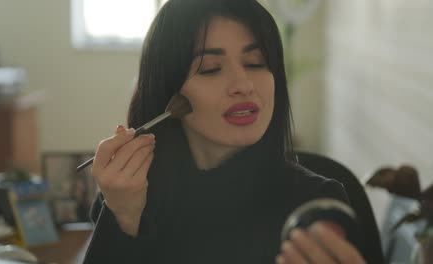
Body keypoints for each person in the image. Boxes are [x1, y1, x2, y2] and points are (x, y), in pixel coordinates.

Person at [83, 0, 382, 263]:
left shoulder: (315, 207)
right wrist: (123, 218)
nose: (244, 84)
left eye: (256, 63)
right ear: (168, 93)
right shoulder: (127, 197)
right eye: (211, 68)